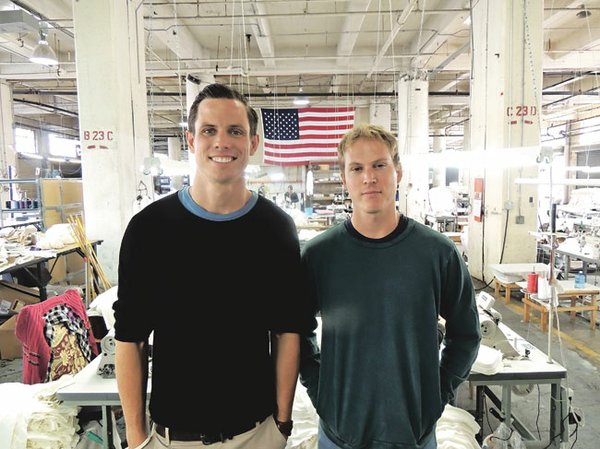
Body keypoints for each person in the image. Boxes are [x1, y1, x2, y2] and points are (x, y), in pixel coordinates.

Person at [113, 83, 313, 449]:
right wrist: (136, 436)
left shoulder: (275, 229)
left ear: (253, 143)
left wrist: (281, 424)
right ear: (191, 140)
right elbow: (130, 338)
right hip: (174, 438)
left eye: (235, 131)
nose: (222, 142)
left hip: (256, 435)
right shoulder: (149, 229)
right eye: (209, 130)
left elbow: (287, 331)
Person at [299, 124, 480, 449]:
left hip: (414, 434)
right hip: (339, 434)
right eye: (357, 168)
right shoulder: (318, 256)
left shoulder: (438, 253)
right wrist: (320, 390)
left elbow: (466, 334)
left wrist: (438, 393)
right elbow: (296, 332)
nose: (369, 177)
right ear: (345, 179)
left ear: (398, 171)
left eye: (379, 165)